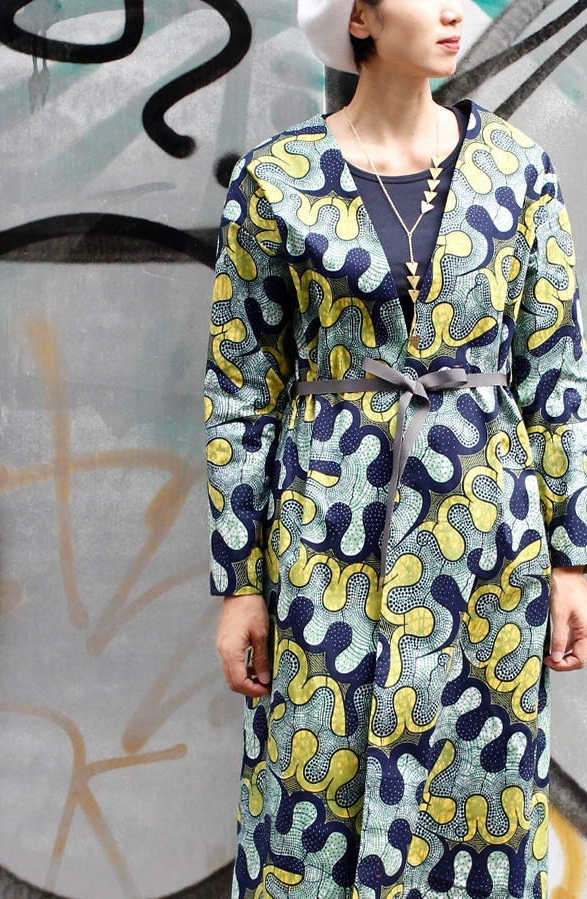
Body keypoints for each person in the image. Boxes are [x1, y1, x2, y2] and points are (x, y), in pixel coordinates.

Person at [202, 0, 587, 895]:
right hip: (323, 552)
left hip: (486, 556)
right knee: (311, 793)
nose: (456, 11)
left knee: (478, 798)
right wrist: (241, 581)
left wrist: (573, 558)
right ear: (362, 17)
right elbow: (240, 391)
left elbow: (557, 375)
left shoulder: (519, 172)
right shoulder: (276, 180)